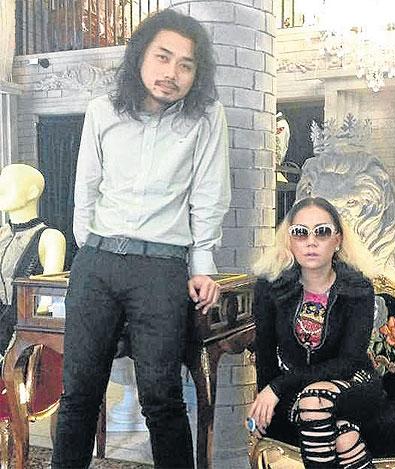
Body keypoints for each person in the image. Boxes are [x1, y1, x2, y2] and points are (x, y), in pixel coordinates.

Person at [51, 9, 230, 469]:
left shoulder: (207, 117)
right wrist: (90, 252)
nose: (172, 73)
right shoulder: (103, 110)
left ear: (196, 73)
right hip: (98, 262)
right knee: (79, 394)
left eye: (186, 65)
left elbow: (209, 192)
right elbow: (86, 189)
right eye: (162, 57)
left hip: (161, 268)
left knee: (162, 396)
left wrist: (202, 264)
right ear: (140, 57)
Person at [248, 197, 395, 469]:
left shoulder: (356, 288)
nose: (311, 241)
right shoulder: (271, 289)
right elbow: (265, 353)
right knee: (345, 436)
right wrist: (264, 400)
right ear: (289, 241)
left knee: (314, 401)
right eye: (300, 232)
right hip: (297, 390)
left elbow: (349, 362)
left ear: (337, 239)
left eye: (322, 232)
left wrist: (278, 387)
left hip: (354, 383)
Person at [0, 164, 65, 359]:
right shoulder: (2, 235)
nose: (1, 189)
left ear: (32, 192)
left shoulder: (50, 238)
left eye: (9, 184)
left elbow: (48, 301)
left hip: (22, 337)